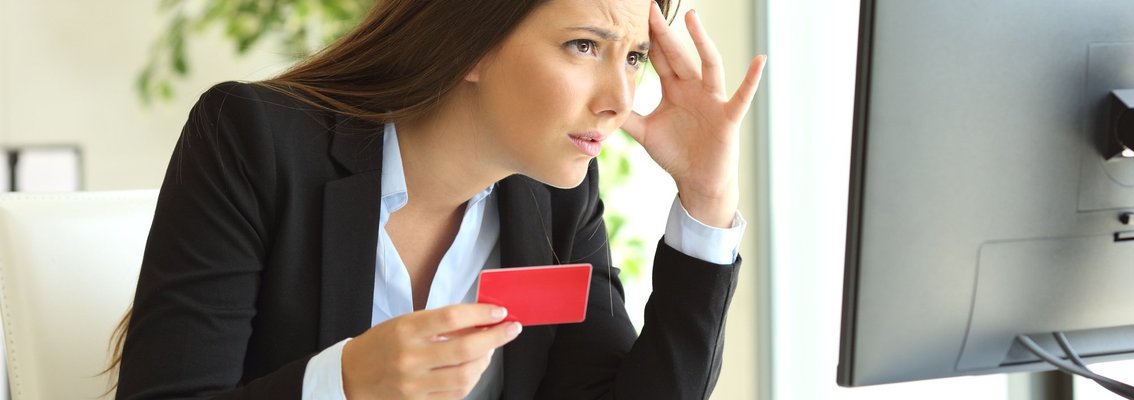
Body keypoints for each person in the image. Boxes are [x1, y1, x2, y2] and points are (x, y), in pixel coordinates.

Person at [114, 0, 765, 398]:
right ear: (471, 43)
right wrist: (342, 384)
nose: (620, 100)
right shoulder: (254, 138)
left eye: (635, 57)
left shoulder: (554, 194)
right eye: (584, 45)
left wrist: (707, 200)